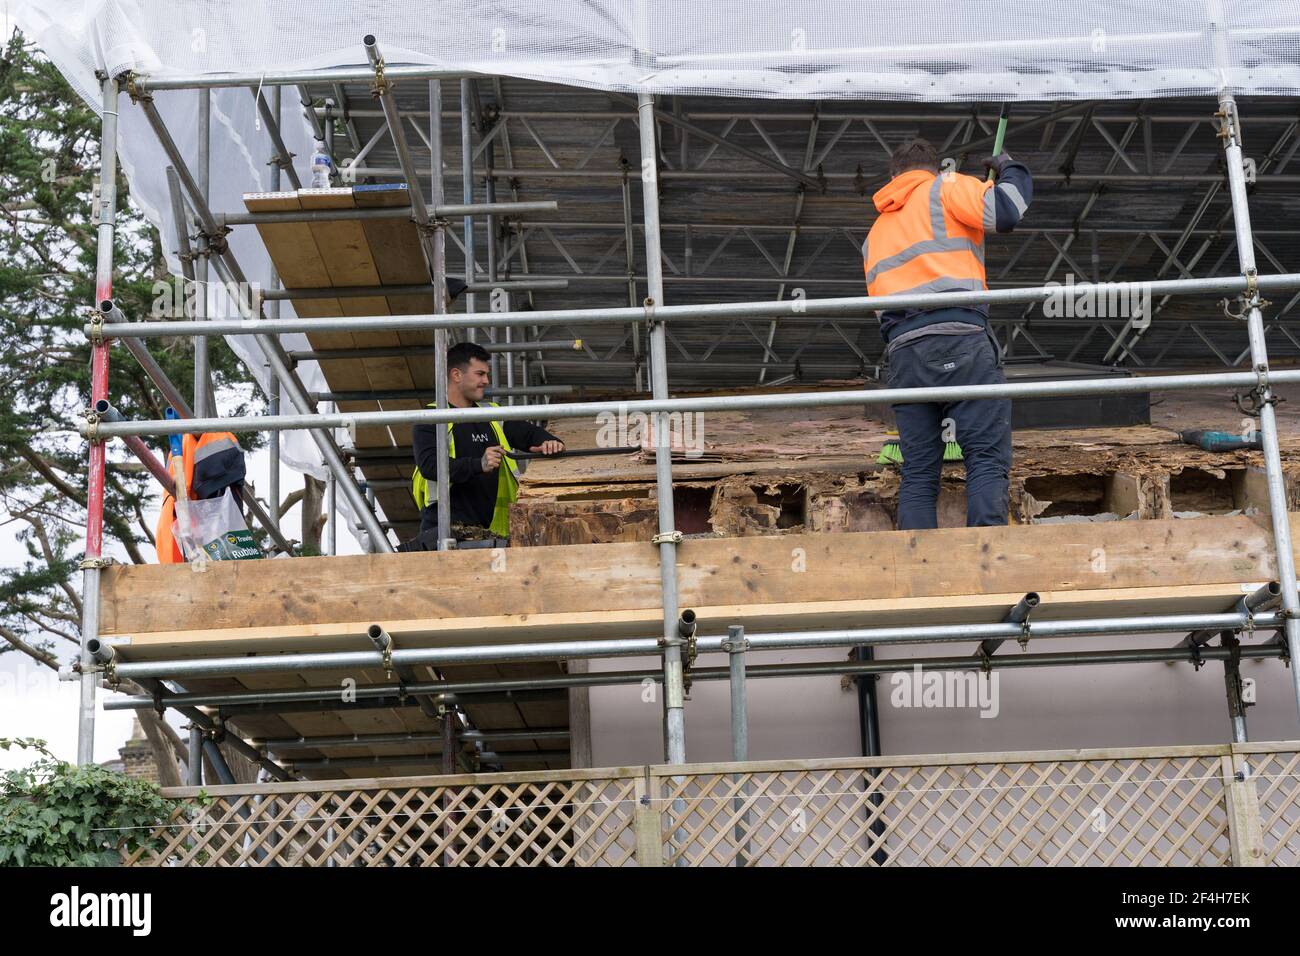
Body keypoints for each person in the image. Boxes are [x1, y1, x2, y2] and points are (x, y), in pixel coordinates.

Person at [864, 136, 1033, 529]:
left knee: (920, 471)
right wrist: (1011, 168)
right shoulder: (948, 185)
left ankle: (917, 569)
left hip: (905, 354)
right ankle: (986, 563)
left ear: (893, 177)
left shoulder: (876, 233)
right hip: (961, 339)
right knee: (985, 459)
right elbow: (1006, 212)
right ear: (934, 166)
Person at [410, 342, 565, 543]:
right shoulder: (431, 418)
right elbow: (430, 466)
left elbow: (529, 434)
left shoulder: (491, 414)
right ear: (456, 375)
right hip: (445, 532)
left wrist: (549, 442)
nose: (486, 380)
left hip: (490, 534)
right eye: (480, 374)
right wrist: (479, 464)